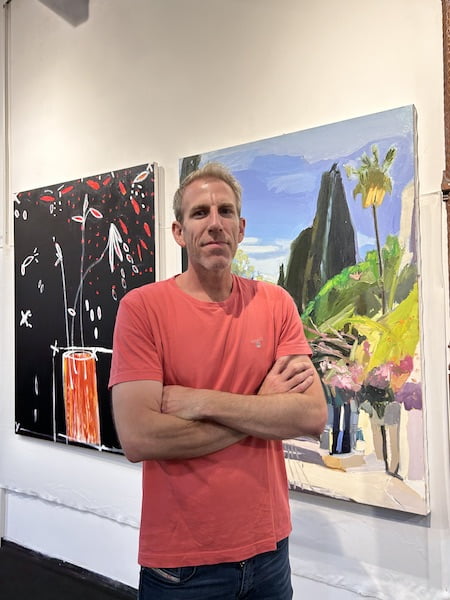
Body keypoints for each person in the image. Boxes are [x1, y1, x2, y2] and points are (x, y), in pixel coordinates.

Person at [109, 162, 327, 599]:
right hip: (183, 566)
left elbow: (311, 415)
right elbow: (139, 437)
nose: (214, 223)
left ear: (241, 228)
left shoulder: (275, 303)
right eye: (199, 213)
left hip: (269, 552)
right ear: (178, 231)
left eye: (225, 211)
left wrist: (200, 401)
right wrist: (262, 404)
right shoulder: (142, 309)